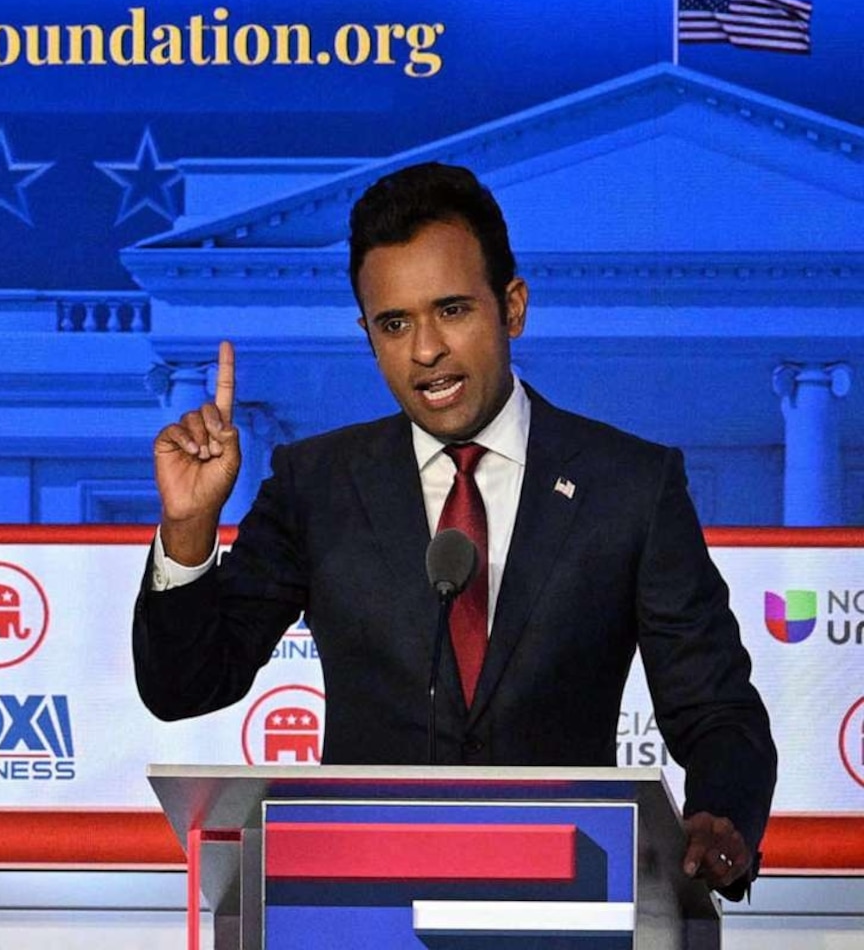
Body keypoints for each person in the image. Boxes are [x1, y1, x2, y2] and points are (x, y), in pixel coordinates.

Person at [134, 161, 776, 894]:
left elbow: (717, 711)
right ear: (367, 334)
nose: (425, 350)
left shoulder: (628, 484)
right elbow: (185, 686)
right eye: (394, 323)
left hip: (569, 905)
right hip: (356, 907)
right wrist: (188, 531)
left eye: (452, 310)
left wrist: (719, 816)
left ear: (512, 307)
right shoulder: (318, 484)